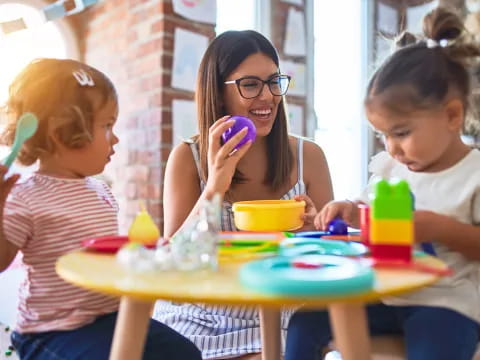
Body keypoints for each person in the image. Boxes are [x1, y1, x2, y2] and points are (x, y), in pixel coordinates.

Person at [285, 7, 480, 360]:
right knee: (304, 321)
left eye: (402, 132)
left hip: (447, 302)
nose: (392, 147)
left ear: (452, 115)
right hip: (385, 294)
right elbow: (366, 211)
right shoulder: (391, 167)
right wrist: (349, 209)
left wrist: (440, 228)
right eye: (383, 135)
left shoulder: (473, 174)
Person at [0, 58, 201, 360]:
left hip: (108, 317)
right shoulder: (25, 195)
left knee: (185, 354)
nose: (116, 137)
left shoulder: (101, 190)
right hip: (51, 331)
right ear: (61, 131)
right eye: (107, 125)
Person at [154, 30, 334, 359]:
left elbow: (330, 260)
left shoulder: (310, 156)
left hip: (281, 315)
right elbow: (174, 263)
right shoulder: (187, 158)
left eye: (274, 81)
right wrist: (214, 186)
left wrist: (314, 231)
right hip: (198, 314)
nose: (268, 97)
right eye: (250, 85)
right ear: (218, 93)